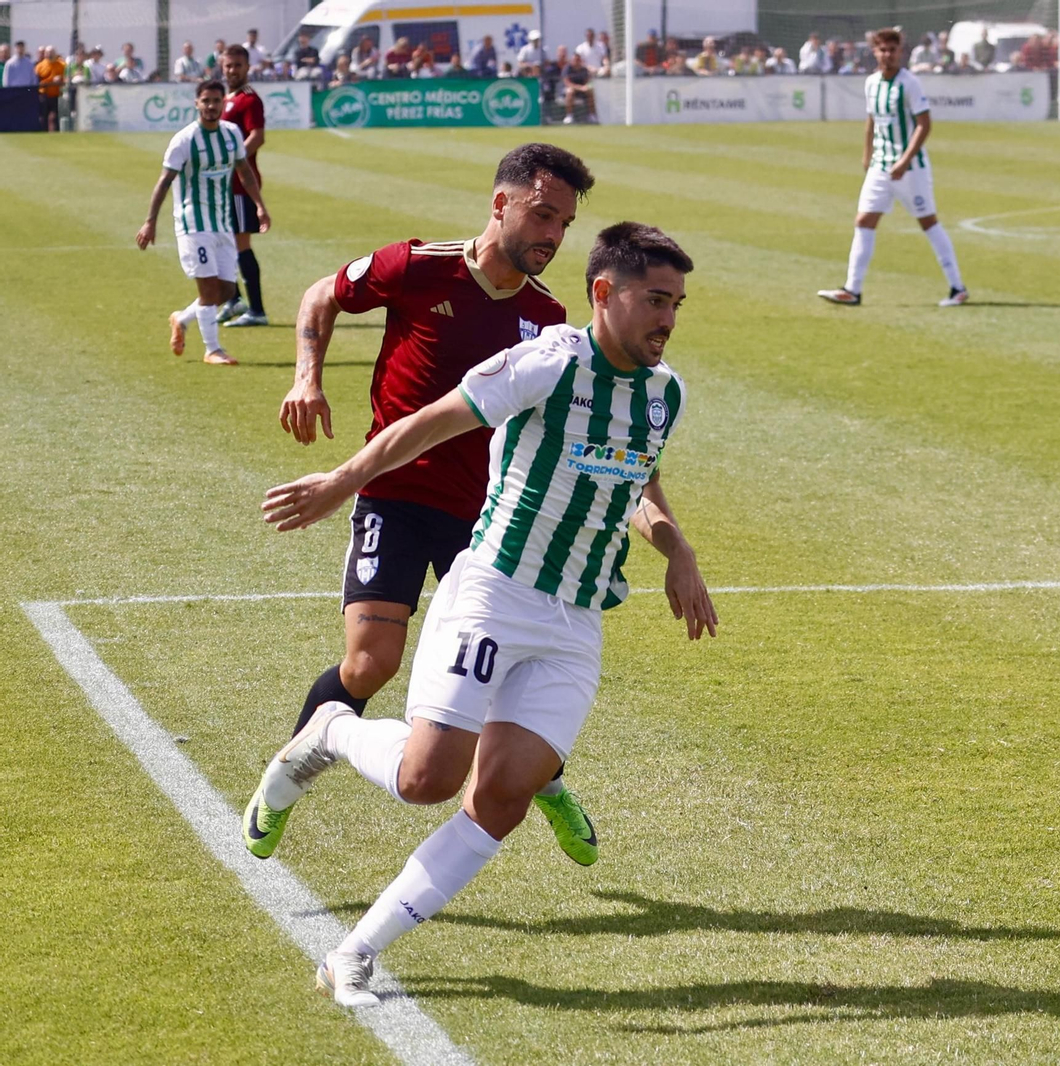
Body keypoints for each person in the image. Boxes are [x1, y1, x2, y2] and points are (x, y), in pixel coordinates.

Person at [249, 220, 712, 1007]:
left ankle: (355, 953)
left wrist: (680, 552)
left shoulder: (665, 394)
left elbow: (633, 477)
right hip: (494, 595)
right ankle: (329, 729)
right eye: (655, 300)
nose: (668, 318)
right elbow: (427, 422)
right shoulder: (544, 362)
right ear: (605, 294)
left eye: (677, 303)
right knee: (427, 780)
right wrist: (340, 481)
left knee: (501, 799)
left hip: (574, 628)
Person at [260, 144, 599, 871]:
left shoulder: (548, 315)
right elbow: (323, 293)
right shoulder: (418, 266)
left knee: (511, 672)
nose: (553, 235)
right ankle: (285, 776)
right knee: (369, 661)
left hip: (490, 518)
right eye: (543, 214)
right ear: (500, 203)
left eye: (565, 223)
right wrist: (306, 379)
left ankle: (546, 781)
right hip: (394, 494)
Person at [817, 28, 967, 309]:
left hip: (911, 169)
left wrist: (905, 161)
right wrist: (867, 154)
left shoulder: (909, 83)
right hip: (880, 166)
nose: (887, 55)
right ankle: (852, 289)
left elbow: (924, 124)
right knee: (863, 221)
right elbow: (871, 120)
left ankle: (957, 287)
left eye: (892, 50)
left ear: (901, 52)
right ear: (874, 52)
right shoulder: (871, 83)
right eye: (882, 50)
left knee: (928, 222)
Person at [134, 79, 270, 367]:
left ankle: (182, 318)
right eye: (205, 101)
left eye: (216, 101)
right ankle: (213, 349)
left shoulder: (232, 133)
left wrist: (259, 206)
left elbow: (244, 172)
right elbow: (164, 182)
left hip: (223, 222)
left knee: (225, 291)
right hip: (193, 223)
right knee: (208, 290)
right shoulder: (184, 140)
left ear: (223, 103)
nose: (211, 106)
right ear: (196, 103)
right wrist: (150, 222)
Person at [213, 45, 271, 330]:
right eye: (228, 65)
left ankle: (257, 309)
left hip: (239, 185)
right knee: (219, 242)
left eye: (237, 65)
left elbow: (257, 137)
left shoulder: (250, 100)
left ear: (247, 67)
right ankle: (234, 300)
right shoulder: (224, 99)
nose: (232, 70)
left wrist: (232, 161)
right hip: (223, 185)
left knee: (240, 244)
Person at [35, 46, 65, 131]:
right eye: (48, 53)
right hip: (44, 95)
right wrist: (50, 81)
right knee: (43, 117)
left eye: (52, 53)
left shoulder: (62, 65)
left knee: (54, 117)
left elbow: (66, 78)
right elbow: (36, 81)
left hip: (56, 95)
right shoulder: (40, 66)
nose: (50, 55)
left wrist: (61, 78)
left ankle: (54, 134)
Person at [563, 52, 596, 122]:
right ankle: (569, 115)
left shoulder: (584, 69)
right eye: (575, 60)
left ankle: (592, 115)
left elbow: (588, 81)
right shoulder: (567, 68)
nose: (576, 61)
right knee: (569, 92)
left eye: (578, 60)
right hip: (573, 89)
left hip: (582, 90)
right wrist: (579, 87)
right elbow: (567, 83)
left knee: (590, 92)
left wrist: (586, 86)